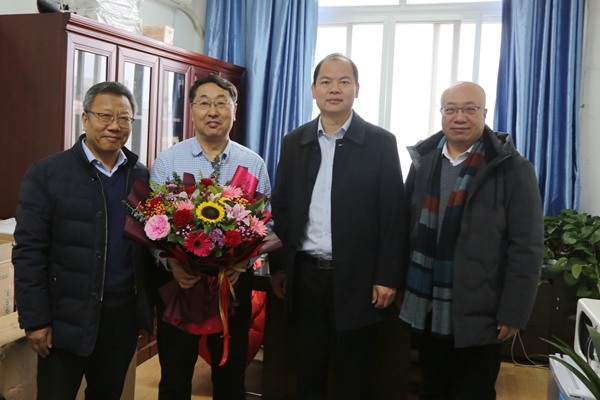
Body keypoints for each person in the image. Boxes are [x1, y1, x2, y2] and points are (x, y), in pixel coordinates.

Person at [269, 53, 406, 399]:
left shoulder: (380, 142)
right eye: (326, 82)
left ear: (357, 89)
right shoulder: (294, 141)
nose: (334, 89)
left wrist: (387, 276)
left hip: (359, 279)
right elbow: (281, 209)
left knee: (355, 376)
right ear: (313, 89)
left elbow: (393, 215)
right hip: (306, 277)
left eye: (344, 82)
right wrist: (280, 266)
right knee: (308, 372)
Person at [398, 81, 544, 399]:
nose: (459, 117)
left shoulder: (512, 169)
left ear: (485, 113)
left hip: (482, 311)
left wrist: (514, 312)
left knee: (474, 391)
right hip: (428, 304)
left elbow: (527, 247)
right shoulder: (424, 162)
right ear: (441, 114)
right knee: (432, 388)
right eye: (451, 109)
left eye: (469, 109)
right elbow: (405, 228)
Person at [12, 81, 155, 399]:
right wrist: (35, 320)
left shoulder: (139, 175)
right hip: (65, 318)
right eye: (105, 116)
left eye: (124, 118)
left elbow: (147, 247)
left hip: (121, 318)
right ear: (85, 118)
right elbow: (29, 252)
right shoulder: (46, 174)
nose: (114, 126)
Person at [150, 74, 272, 400]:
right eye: (204, 103)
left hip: (231, 286)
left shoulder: (252, 163)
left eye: (221, 103)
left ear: (235, 110)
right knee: (175, 377)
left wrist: (242, 263)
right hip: (180, 285)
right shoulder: (168, 161)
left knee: (230, 377)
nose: (213, 111)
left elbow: (265, 222)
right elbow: (153, 225)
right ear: (192, 110)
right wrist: (171, 264)